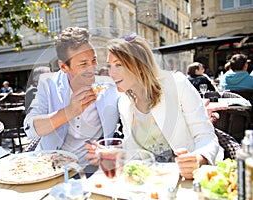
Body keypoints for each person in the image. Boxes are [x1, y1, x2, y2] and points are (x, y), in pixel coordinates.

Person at [85, 34, 223, 179]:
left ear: (139, 65)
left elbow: (206, 135)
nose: (111, 73)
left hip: (188, 179)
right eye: (109, 66)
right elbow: (133, 150)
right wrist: (111, 153)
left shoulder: (177, 85)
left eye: (118, 65)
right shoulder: (124, 102)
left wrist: (199, 158)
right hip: (151, 181)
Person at [23, 27, 119, 172]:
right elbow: (30, 128)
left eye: (93, 60)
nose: (92, 68)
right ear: (63, 66)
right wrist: (69, 112)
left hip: (93, 167)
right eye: (83, 64)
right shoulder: (47, 84)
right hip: (52, 166)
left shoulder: (109, 87)